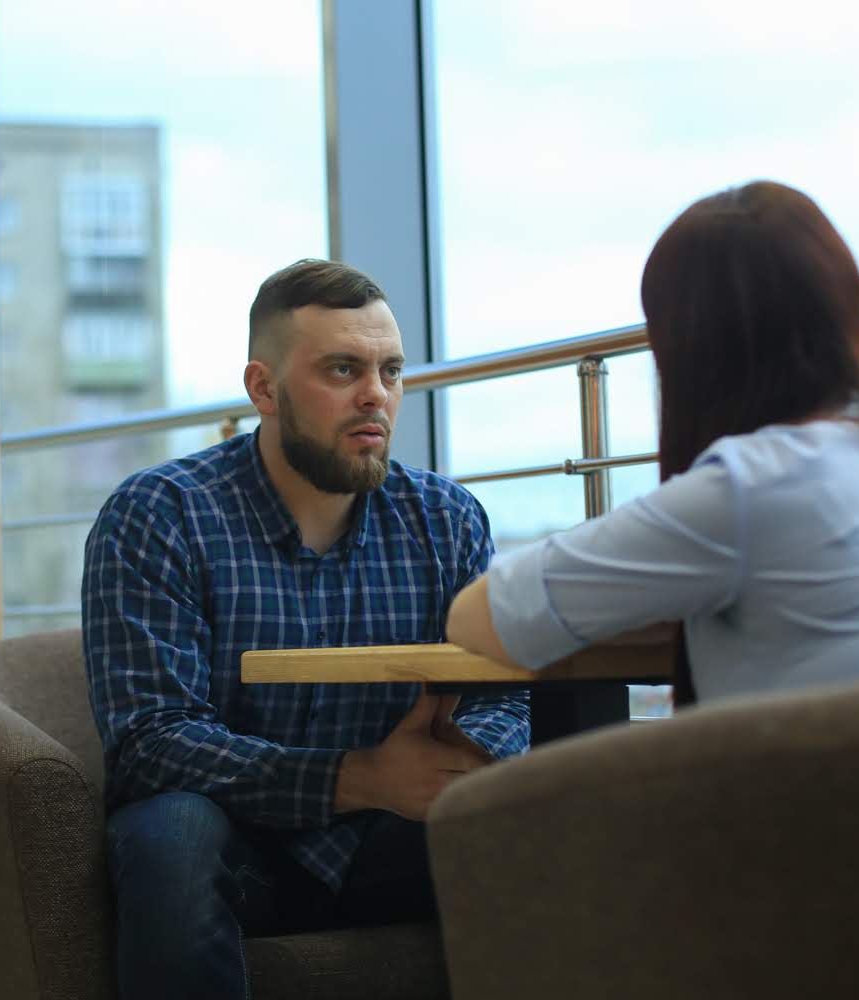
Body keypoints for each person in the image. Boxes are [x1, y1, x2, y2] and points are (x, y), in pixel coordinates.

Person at [81, 259, 529, 999]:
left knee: (548, 814)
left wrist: (460, 760)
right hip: (240, 846)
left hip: (394, 834)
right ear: (264, 389)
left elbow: (501, 694)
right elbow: (149, 743)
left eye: (390, 371)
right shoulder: (160, 514)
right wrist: (357, 777)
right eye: (343, 370)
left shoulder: (446, 519)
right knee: (171, 834)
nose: (375, 395)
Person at [445, 181, 859, 704]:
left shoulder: (748, 487)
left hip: (850, 812)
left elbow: (479, 618)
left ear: (686, 350)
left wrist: (654, 596)